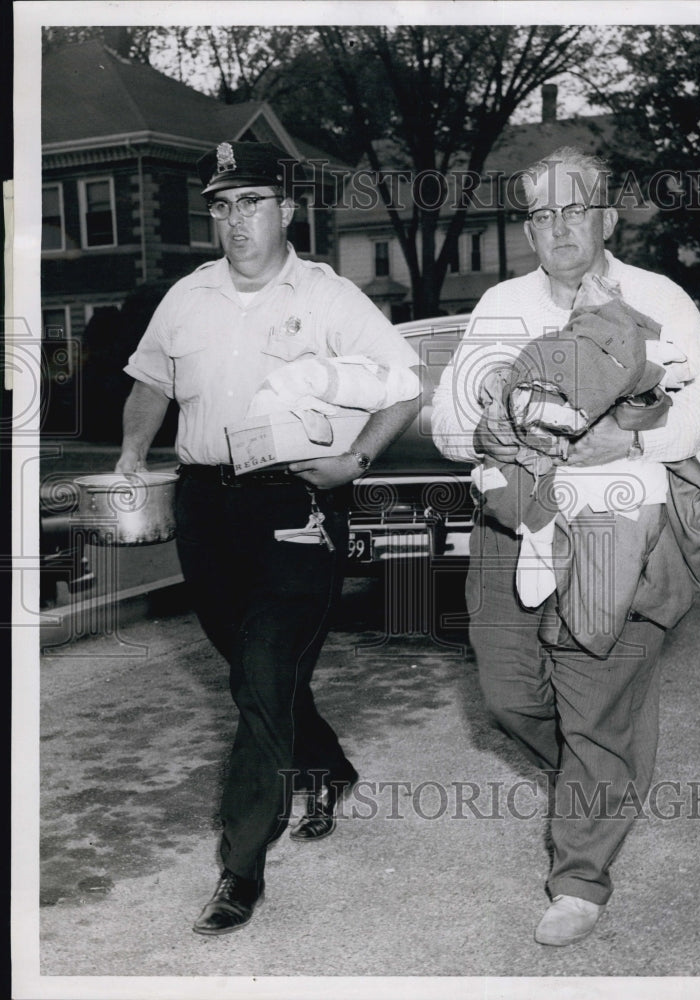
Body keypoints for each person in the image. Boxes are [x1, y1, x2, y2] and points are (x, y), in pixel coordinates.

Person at [431, 146, 700, 947]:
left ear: (606, 216)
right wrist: (503, 425)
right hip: (515, 520)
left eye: (574, 209)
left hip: (623, 526)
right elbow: (443, 426)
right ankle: (597, 775)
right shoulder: (500, 304)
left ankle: (578, 878)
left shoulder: (655, 297)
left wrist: (623, 440)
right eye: (540, 213)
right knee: (507, 697)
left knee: (598, 705)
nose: (557, 227)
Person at [115, 141, 421, 936]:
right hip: (206, 509)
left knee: (259, 674)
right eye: (221, 205)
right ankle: (328, 767)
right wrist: (130, 456)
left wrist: (355, 458)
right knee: (259, 671)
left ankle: (240, 866)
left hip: (295, 505)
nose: (234, 220)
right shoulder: (187, 296)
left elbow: (402, 381)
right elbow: (151, 382)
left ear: (286, 210)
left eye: (251, 202)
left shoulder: (328, 297)